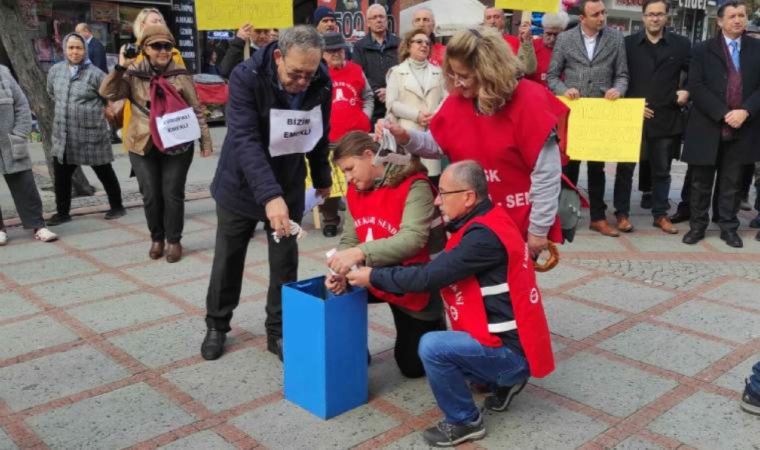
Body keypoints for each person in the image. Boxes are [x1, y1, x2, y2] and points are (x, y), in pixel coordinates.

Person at [346, 161, 554, 447]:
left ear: (468, 197)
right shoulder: (489, 218)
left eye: (443, 193)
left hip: (513, 352)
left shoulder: (481, 238)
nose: (436, 200)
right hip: (518, 342)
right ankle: (503, 381)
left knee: (433, 347)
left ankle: (465, 421)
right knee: (450, 351)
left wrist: (373, 276)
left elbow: (429, 277)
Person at [201, 26, 332, 362]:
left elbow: (318, 132)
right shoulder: (246, 77)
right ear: (278, 57)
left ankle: (279, 330)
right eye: (295, 74)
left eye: (309, 74)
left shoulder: (321, 81)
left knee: (285, 263)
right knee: (228, 258)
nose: (303, 82)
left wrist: (321, 175)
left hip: (288, 182)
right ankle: (217, 324)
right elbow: (244, 139)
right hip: (241, 184)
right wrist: (269, 195)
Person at [380, 27, 567, 258]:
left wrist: (539, 230)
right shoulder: (459, 101)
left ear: (489, 72)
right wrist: (405, 137)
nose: (457, 83)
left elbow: (547, 174)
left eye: (465, 76)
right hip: (474, 219)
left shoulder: (530, 100)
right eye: (454, 75)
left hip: (518, 217)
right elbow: (437, 144)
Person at [326, 131, 446, 377]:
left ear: (370, 156)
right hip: (377, 272)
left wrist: (359, 253)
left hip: (413, 281)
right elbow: (351, 238)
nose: (348, 178)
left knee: (413, 367)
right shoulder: (356, 189)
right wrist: (339, 270)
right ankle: (352, 351)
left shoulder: (415, 185)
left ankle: (435, 325)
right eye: (343, 172)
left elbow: (413, 240)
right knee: (330, 290)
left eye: (350, 169)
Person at [100, 25, 213, 262]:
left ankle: (174, 240)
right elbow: (108, 92)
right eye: (156, 46)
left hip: (177, 143)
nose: (162, 50)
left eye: (167, 46)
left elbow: (196, 109)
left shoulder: (180, 74)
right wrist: (120, 66)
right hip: (142, 141)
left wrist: (205, 142)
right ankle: (157, 238)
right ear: (145, 49)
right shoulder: (132, 73)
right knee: (150, 193)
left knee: (172, 193)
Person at [681, 0, 760, 248]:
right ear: (720, 21)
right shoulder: (703, 49)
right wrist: (724, 113)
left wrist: (745, 111)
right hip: (708, 124)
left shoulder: (756, 48)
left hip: (744, 126)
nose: (738, 20)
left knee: (732, 182)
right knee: (700, 181)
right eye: (733, 16)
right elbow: (696, 85)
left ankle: (728, 227)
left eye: (742, 15)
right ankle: (697, 226)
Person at [547, 0, 630, 237]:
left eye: (603, 13)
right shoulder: (565, 39)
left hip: (601, 112)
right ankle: (565, 218)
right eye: (596, 14)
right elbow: (552, 76)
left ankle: (598, 217)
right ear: (582, 18)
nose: (602, 18)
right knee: (570, 167)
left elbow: (622, 74)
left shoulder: (615, 38)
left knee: (597, 168)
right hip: (575, 111)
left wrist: (618, 90)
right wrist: (564, 90)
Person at [625, 0, 690, 234]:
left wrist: (687, 91)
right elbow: (619, 77)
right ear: (643, 17)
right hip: (632, 114)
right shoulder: (628, 44)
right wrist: (631, 104)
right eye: (650, 14)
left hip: (666, 115)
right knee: (625, 168)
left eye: (659, 14)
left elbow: (695, 73)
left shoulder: (682, 45)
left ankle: (660, 214)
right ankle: (622, 214)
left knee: (662, 170)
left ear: (666, 17)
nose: (655, 18)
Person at [46, 33, 125, 226]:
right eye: (71, 47)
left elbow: (110, 96)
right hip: (64, 134)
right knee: (62, 175)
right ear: (65, 49)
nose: (74, 52)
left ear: (85, 50)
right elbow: (51, 92)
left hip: (91, 133)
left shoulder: (96, 74)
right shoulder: (56, 70)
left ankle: (117, 206)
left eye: (78, 48)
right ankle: (63, 212)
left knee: (104, 170)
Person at [318, 32, 374, 237]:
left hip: (356, 136)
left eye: (339, 49)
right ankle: (331, 219)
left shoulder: (356, 70)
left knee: (359, 178)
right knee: (329, 182)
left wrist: (365, 117)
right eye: (331, 51)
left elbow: (368, 96)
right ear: (323, 54)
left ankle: (359, 217)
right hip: (329, 137)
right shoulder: (318, 73)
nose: (336, 54)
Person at [0, 64, 57, 245]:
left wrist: (19, 133)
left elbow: (22, 105)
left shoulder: (3, 73)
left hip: (11, 140)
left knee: (25, 183)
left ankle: (38, 226)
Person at [385, 28, 446, 185]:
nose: (424, 45)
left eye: (427, 43)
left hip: (433, 132)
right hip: (408, 132)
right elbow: (391, 103)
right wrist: (416, 115)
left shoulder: (438, 72)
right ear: (408, 46)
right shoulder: (397, 72)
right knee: (409, 181)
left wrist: (435, 115)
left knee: (432, 181)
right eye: (419, 42)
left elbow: (446, 98)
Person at [121, 8, 185, 135]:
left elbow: (184, 84)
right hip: (140, 114)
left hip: (169, 114)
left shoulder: (174, 52)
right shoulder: (130, 51)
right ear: (142, 25)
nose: (159, 24)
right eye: (155, 21)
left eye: (161, 21)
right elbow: (122, 82)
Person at [353, 4, 400, 125]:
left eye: (381, 17)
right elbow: (359, 74)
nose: (378, 20)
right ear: (367, 23)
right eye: (374, 17)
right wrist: (378, 92)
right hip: (372, 106)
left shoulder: (399, 44)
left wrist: (390, 91)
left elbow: (405, 72)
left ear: (386, 20)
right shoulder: (359, 47)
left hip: (397, 105)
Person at [482, 7, 537, 75]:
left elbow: (529, 70)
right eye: (488, 18)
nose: (493, 21)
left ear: (504, 20)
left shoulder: (515, 41)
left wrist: (526, 41)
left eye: (496, 17)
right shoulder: (477, 42)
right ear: (484, 22)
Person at [525, 12, 570, 86]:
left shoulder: (570, 49)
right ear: (543, 30)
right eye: (548, 34)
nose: (552, 39)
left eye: (556, 34)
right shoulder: (531, 47)